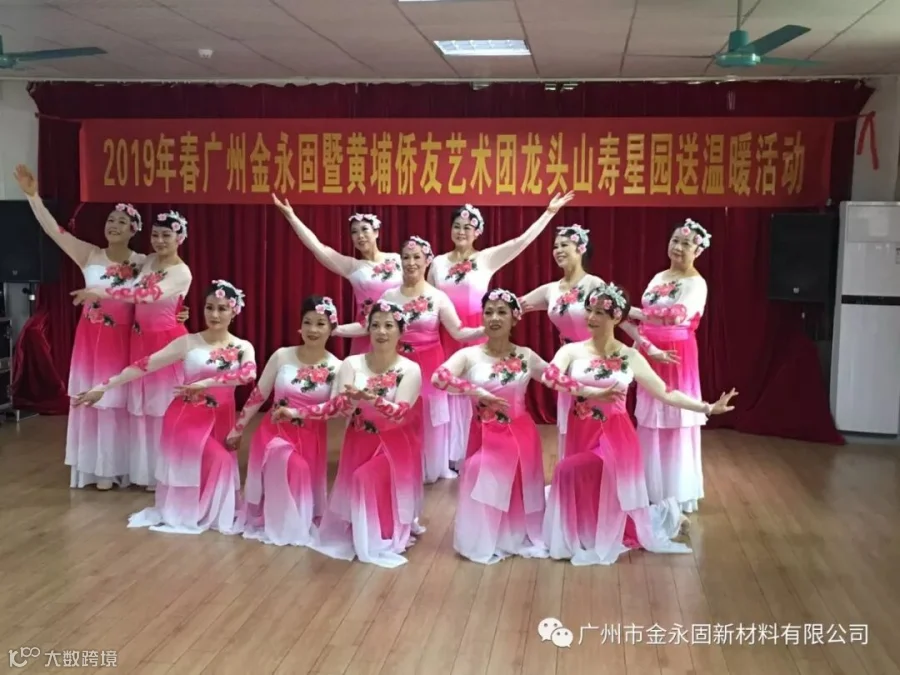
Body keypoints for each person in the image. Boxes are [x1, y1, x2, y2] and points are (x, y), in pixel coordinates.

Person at [13, 165, 188, 490]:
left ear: (134, 230)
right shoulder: (90, 254)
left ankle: (127, 468)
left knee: (121, 403)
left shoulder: (143, 261)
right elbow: (54, 231)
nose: (113, 225)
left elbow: (160, 292)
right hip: (91, 339)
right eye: (110, 220)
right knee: (95, 401)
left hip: (125, 340)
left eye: (121, 221)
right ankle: (98, 471)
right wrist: (32, 196)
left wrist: (179, 312)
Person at [541, 283, 736, 565]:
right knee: (593, 486)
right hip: (581, 430)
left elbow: (665, 391)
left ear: (616, 317)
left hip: (615, 437)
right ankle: (600, 527)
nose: (591, 318)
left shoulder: (630, 356)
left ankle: (587, 533)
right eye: (590, 310)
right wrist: (592, 392)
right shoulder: (572, 351)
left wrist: (707, 407)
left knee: (566, 470)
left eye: (599, 313)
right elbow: (549, 376)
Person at [73, 280, 256, 535]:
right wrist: (103, 387)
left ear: (234, 311)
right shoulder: (188, 342)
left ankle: (209, 513)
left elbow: (247, 375)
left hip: (221, 419)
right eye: (209, 307)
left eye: (222, 308)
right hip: (186, 418)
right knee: (221, 461)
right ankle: (198, 513)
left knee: (212, 465)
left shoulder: (243, 347)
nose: (214, 314)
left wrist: (205, 383)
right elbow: (144, 365)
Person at [428, 192, 574, 469]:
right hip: (446, 333)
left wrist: (549, 213)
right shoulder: (437, 263)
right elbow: (430, 299)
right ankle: (445, 458)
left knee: (479, 388)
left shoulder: (486, 259)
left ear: (477, 232)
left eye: (467, 227)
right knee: (447, 390)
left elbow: (520, 242)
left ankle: (477, 450)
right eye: (457, 226)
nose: (461, 231)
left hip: (479, 331)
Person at [333, 236, 484, 483]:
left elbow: (458, 331)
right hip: (398, 363)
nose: (411, 262)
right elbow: (366, 326)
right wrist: (335, 329)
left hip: (430, 362)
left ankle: (429, 467)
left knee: (429, 417)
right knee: (396, 410)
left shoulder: (437, 297)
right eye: (406, 257)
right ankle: (397, 462)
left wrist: (486, 330)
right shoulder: (389, 296)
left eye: (416, 257)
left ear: (427, 261)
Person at [518, 225, 674, 460]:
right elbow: (515, 305)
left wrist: (648, 346)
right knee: (571, 419)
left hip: (596, 359)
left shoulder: (593, 284)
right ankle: (572, 470)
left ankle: (603, 470)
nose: (558, 250)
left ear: (580, 249)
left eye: (564, 245)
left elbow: (620, 317)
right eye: (555, 246)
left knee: (598, 418)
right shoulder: (551, 290)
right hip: (568, 359)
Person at [71, 210, 193, 490]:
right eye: (155, 235)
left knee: (162, 409)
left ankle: (165, 474)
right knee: (141, 410)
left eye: (166, 235)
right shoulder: (147, 261)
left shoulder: (181, 271)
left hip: (165, 341)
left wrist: (101, 292)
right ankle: (143, 472)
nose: (160, 240)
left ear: (180, 238)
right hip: (138, 340)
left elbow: (147, 295)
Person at [432, 289, 549, 564]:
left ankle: (509, 534)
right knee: (477, 472)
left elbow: (556, 379)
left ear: (514, 318)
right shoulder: (469, 355)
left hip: (518, 434)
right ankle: (485, 537)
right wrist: (474, 390)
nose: (494, 318)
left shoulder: (526, 355)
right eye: (489, 312)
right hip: (483, 432)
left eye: (502, 312)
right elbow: (439, 377)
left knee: (482, 472)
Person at [225, 295, 344, 546]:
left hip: (311, 437)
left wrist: (298, 414)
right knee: (293, 467)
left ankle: (290, 522)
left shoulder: (337, 367)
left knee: (299, 476)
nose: (313, 329)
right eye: (307, 322)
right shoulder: (282, 356)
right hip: (274, 433)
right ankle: (283, 525)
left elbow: (334, 408)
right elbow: (259, 395)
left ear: (332, 328)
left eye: (320, 324)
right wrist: (238, 429)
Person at [311, 301, 423, 568]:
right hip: (358, 440)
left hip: (394, 445)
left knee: (365, 478)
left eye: (388, 326)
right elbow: (339, 407)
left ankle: (376, 536)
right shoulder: (352, 363)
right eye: (376, 325)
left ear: (401, 331)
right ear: (368, 330)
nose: (381, 331)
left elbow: (400, 413)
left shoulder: (410, 369)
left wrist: (372, 399)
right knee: (360, 482)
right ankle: (366, 530)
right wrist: (347, 402)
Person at [632, 219, 711, 515]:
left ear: (698, 251)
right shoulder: (659, 276)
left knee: (675, 416)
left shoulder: (696, 283)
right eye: (675, 240)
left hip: (677, 353)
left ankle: (676, 492)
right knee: (650, 416)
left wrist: (629, 310)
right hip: (649, 349)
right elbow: (648, 315)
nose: (678, 247)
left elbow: (674, 316)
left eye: (686, 244)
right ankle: (650, 489)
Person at [272, 194, 402, 354]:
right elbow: (317, 247)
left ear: (376, 232)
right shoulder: (353, 267)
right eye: (354, 232)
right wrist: (291, 216)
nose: (360, 236)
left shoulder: (397, 259)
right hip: (366, 334)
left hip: (399, 332)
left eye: (364, 229)